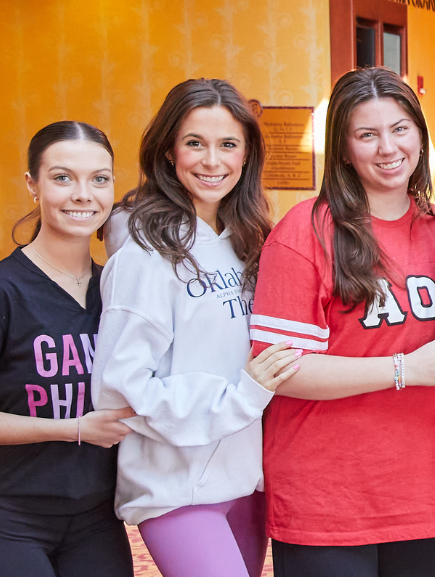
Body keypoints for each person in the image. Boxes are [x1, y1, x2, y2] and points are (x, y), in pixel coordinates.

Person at [249, 67, 435, 577]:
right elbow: (282, 370)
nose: (388, 148)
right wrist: (406, 368)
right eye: (367, 134)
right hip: (325, 494)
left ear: (420, 136)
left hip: (420, 487)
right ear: (343, 149)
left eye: (400, 128)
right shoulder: (307, 231)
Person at [93, 78, 294, 577]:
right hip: (177, 488)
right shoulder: (144, 255)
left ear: (247, 157)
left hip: (248, 480)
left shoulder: (251, 242)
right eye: (194, 144)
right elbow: (119, 389)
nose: (212, 161)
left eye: (228, 145)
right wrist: (242, 397)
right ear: (167, 152)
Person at [0, 120, 135, 577]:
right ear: (33, 185)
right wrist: (73, 428)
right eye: (63, 177)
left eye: (99, 179)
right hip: (10, 519)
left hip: (99, 520)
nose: (84, 194)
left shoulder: (120, 292)